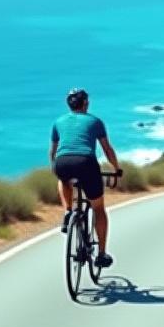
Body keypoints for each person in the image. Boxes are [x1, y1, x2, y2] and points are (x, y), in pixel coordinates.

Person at [50, 88, 121, 269]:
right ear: (86, 103)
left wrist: (55, 167)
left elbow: (53, 152)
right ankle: (102, 254)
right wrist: (117, 169)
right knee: (98, 208)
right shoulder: (95, 121)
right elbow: (107, 149)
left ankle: (68, 212)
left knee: (63, 180)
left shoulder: (58, 122)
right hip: (86, 162)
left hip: (62, 161)